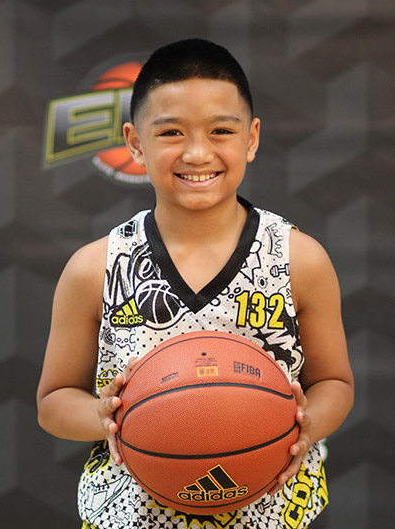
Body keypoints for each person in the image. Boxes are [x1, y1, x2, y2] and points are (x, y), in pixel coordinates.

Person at [37, 38, 354, 529]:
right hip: (131, 515)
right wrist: (104, 416)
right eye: (171, 133)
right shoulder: (95, 268)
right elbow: (53, 401)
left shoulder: (299, 258)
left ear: (251, 138)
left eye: (220, 130)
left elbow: (335, 382)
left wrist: (304, 425)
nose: (198, 152)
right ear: (134, 143)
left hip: (272, 514)